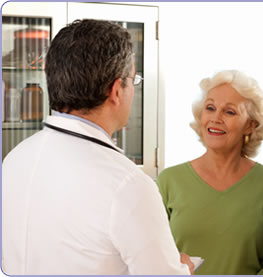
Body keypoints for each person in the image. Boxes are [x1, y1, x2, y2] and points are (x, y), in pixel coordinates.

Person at [2, 19, 193, 275]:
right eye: (133, 80)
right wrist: (184, 269)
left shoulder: (14, 159)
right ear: (116, 90)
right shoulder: (129, 185)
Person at [156, 70, 263, 274]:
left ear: (250, 125)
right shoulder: (169, 181)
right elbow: (154, 253)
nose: (216, 118)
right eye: (210, 108)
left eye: (229, 112)